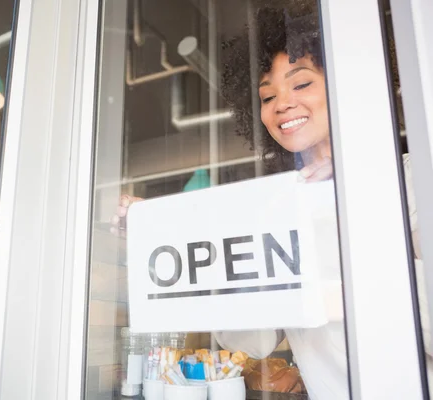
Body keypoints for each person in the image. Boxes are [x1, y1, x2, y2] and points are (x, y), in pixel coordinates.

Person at [112, 2, 426, 399]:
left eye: (301, 83)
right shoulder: (279, 212)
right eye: (266, 96)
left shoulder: (410, 180)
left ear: (347, 81)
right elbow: (251, 340)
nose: (282, 104)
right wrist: (169, 238)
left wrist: (334, 222)